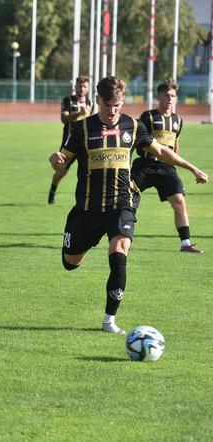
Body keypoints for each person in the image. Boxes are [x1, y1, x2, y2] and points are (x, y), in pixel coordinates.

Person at [49, 76, 208, 334]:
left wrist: (192, 168)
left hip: (121, 204)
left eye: (118, 105)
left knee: (120, 252)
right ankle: (86, 243)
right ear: (98, 101)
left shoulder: (132, 126)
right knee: (70, 262)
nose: (113, 111)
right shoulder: (83, 129)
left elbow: (162, 151)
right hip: (87, 209)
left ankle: (109, 320)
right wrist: (55, 160)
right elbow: (62, 159)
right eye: (108, 105)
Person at [132, 78, 203, 253]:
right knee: (128, 197)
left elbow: (175, 143)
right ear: (159, 97)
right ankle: (118, 233)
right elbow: (136, 139)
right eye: (166, 95)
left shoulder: (178, 120)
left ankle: (185, 243)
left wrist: (175, 162)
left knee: (179, 200)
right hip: (145, 165)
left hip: (166, 168)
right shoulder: (148, 117)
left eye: (172, 95)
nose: (170, 98)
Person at [49, 76, 92, 204]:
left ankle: (84, 198)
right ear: (75, 87)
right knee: (61, 170)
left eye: (84, 86)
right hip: (69, 142)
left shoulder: (90, 102)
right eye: (80, 86)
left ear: (88, 88)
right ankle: (52, 190)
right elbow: (64, 119)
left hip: (84, 143)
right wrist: (80, 113)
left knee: (86, 171)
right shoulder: (68, 100)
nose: (82, 89)